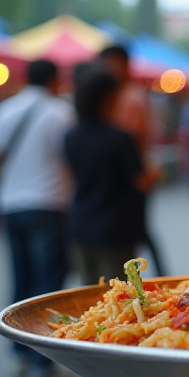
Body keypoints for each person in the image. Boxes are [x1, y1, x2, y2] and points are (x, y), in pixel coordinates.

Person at [0, 59, 74, 377]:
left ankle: (19, 350)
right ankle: (41, 366)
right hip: (48, 206)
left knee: (21, 280)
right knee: (47, 286)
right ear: (55, 80)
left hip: (10, 207)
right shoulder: (61, 113)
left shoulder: (5, 110)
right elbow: (71, 163)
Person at [64, 66, 157, 286]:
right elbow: (141, 181)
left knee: (87, 293)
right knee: (119, 296)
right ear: (107, 98)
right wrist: (156, 173)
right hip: (115, 230)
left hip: (80, 226)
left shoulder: (71, 135)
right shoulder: (119, 138)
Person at [99, 45, 166, 276]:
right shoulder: (121, 95)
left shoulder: (130, 98)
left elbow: (132, 141)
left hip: (130, 178)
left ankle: (135, 285)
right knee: (138, 232)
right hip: (127, 177)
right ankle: (156, 275)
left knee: (132, 235)